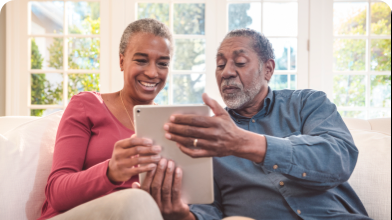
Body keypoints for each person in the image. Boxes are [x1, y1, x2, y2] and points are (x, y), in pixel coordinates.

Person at [138, 29, 372, 220]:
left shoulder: (307, 103)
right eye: (220, 65)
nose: (227, 72)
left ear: (267, 69)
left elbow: (339, 158)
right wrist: (182, 215)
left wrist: (245, 144)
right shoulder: (209, 136)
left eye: (239, 62)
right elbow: (209, 209)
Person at [38, 18, 172, 220]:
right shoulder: (87, 105)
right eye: (141, 60)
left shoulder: (169, 124)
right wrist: (110, 172)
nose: (153, 72)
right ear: (121, 61)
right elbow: (56, 192)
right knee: (136, 200)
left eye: (162, 64)